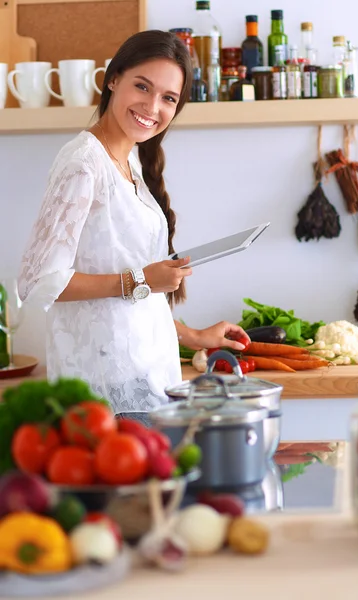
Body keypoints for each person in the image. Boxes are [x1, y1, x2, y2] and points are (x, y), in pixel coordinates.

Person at [18, 30, 249, 425]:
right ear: (113, 79)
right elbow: (38, 281)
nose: (152, 106)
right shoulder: (83, 163)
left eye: (168, 98)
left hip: (146, 384)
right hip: (105, 397)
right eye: (142, 86)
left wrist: (193, 336)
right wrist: (140, 279)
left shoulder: (130, 164)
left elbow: (124, 306)